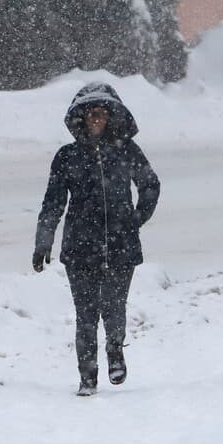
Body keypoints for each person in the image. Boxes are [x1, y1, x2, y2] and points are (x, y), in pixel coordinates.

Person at [33, 82, 161, 396]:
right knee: (86, 315)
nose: (97, 119)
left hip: (121, 247)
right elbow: (52, 202)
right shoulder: (67, 157)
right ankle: (87, 376)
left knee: (114, 308)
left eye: (102, 113)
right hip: (79, 249)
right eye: (92, 113)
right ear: (82, 117)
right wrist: (43, 242)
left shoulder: (127, 150)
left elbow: (150, 184)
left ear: (111, 116)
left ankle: (115, 350)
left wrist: (135, 219)